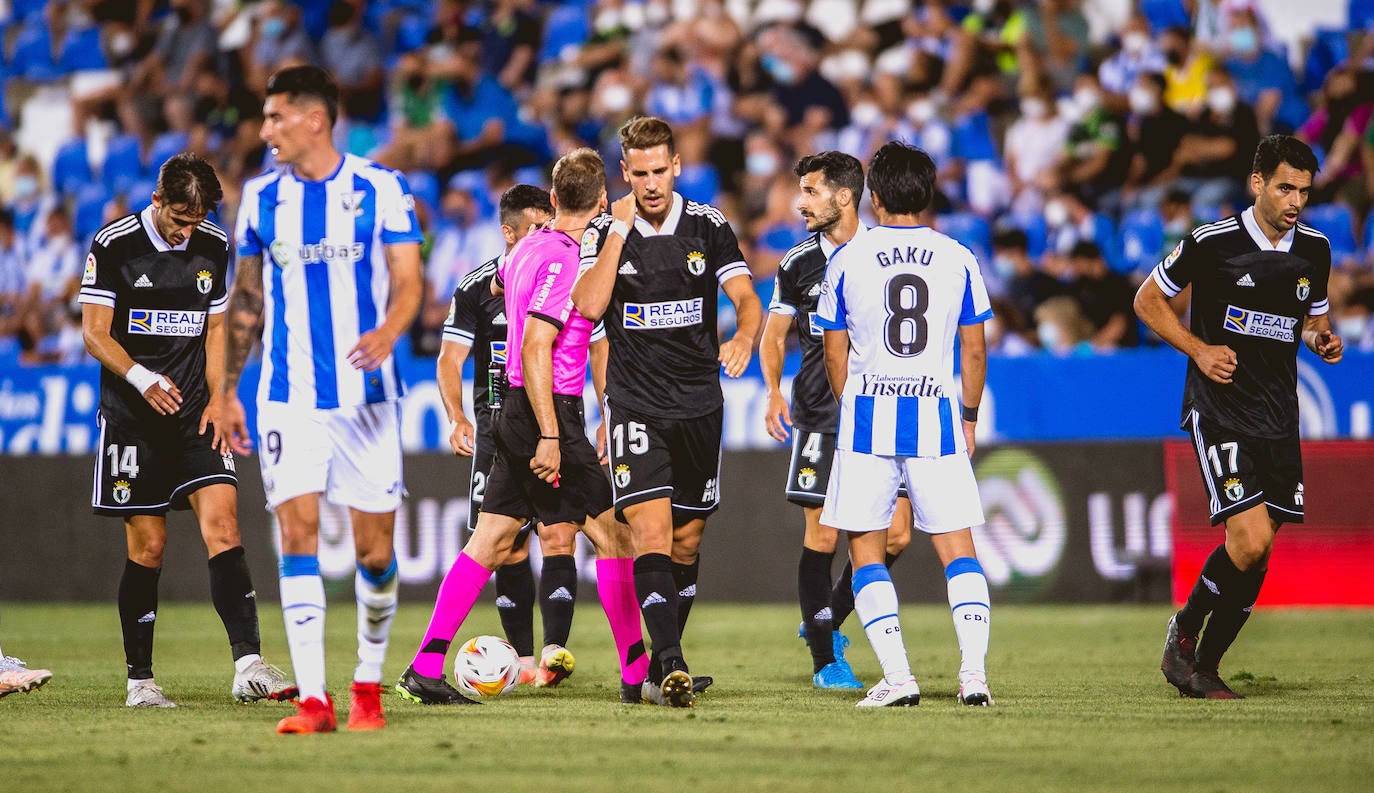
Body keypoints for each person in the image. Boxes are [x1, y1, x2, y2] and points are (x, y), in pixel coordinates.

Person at [396, 148, 645, 706]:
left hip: (509, 409)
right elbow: (537, 344)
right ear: (601, 200)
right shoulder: (563, 258)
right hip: (545, 409)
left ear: (554, 200)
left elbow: (497, 286)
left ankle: (424, 666)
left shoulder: (527, 247)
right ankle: (636, 676)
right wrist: (553, 434)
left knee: (488, 542)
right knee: (613, 535)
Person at [219, 65, 424, 734]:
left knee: (374, 553)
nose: (265, 129)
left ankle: (368, 682)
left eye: (276, 116)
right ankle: (316, 699)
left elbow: (409, 280)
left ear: (314, 118)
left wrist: (390, 330)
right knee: (296, 533)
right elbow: (245, 301)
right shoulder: (258, 199)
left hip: (367, 396)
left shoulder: (381, 188)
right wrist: (227, 391)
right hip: (288, 397)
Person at [78, 152, 295, 709]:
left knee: (225, 525)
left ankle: (249, 665)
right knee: (149, 546)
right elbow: (94, 334)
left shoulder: (213, 245)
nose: (186, 230)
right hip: (133, 417)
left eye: (196, 219)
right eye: (179, 217)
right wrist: (141, 376)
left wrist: (223, 397)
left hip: (196, 413)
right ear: (157, 201)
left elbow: (217, 325)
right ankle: (140, 682)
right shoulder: (114, 244)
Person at [1134, 135, 1342, 699]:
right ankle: (1186, 628)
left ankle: (1206, 664)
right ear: (1257, 184)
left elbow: (1311, 318)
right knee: (1247, 541)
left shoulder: (1316, 250)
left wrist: (1322, 339)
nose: (1295, 201)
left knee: (1260, 547)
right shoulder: (1211, 242)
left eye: (1304, 190)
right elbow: (1147, 300)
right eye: (1285, 187)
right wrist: (1199, 349)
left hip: (1280, 412)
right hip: (1220, 407)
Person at [572, 115, 763, 707]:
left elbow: (747, 299)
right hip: (635, 404)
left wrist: (744, 338)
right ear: (623, 172)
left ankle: (657, 668)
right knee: (650, 531)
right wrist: (617, 237)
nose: (651, 183)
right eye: (640, 173)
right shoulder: (605, 229)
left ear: (677, 167)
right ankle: (672, 663)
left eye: (661, 171)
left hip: (700, 404)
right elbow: (588, 304)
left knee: (687, 540)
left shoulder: (708, 226)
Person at [814, 141, 995, 708]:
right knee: (958, 549)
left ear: (875, 193)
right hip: (935, 418)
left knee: (866, 549)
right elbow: (974, 350)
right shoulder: (959, 256)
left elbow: (833, 350)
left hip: (868, 419)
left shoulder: (849, 258)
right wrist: (967, 415)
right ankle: (974, 676)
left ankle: (898, 677)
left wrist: (853, 404)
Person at [437, 183, 607, 686]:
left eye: (547, 222)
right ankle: (524, 659)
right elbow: (450, 359)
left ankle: (554, 653)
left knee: (562, 532)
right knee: (504, 546)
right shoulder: (478, 287)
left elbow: (595, 349)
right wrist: (456, 417)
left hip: (555, 418)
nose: (546, 232)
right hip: (500, 427)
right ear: (508, 232)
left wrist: (606, 411)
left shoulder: (570, 271)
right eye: (534, 227)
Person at [760, 151, 912, 691]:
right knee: (823, 534)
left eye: (810, 191)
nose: (799, 202)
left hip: (879, 411)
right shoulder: (797, 263)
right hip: (821, 415)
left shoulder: (885, 254)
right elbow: (774, 335)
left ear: (843, 196)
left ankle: (822, 621)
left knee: (895, 535)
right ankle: (827, 660)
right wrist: (773, 391)